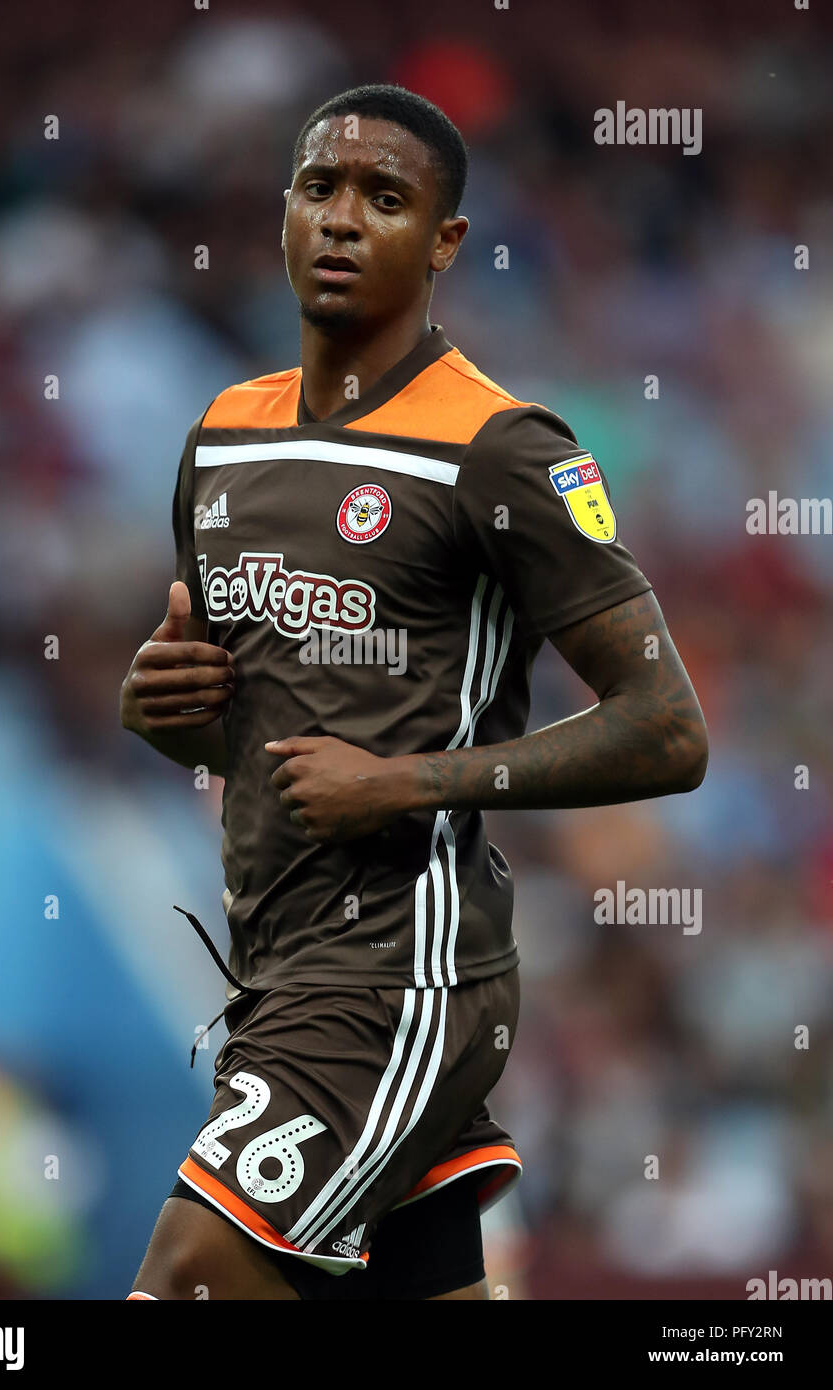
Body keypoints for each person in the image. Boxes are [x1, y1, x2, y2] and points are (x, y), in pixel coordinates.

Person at [119, 83, 708, 1301]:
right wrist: (170, 715)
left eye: (384, 199)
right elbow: (260, 721)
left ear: (443, 242)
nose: (342, 220)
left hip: (399, 977)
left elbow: (668, 726)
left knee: (189, 1277)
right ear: (283, 211)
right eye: (319, 189)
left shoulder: (501, 448)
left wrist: (406, 784)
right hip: (274, 968)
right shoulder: (223, 436)